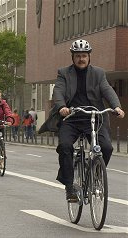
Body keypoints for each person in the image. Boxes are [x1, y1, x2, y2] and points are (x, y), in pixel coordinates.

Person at [39, 39, 125, 202]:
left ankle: (96, 172)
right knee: (65, 147)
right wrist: (62, 107)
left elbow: (107, 90)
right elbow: (58, 92)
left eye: (84, 56)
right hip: (71, 118)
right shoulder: (64, 73)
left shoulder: (98, 73)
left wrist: (117, 106)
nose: (81, 59)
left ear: (89, 56)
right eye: (78, 56)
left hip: (94, 117)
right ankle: (70, 186)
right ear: (73, 57)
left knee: (106, 148)